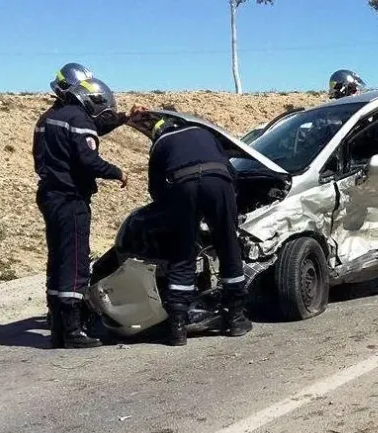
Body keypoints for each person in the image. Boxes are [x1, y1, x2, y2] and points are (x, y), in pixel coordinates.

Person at [40, 64, 143, 331]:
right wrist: (117, 172)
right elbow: (88, 159)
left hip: (50, 195)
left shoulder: (50, 117)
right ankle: (73, 329)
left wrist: (123, 118)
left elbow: (91, 128)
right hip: (71, 197)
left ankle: (57, 321)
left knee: (59, 258)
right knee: (76, 260)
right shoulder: (77, 119)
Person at [146, 117, 253, 346]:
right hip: (218, 180)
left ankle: (178, 327)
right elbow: (231, 172)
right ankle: (236, 318)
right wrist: (225, 208)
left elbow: (156, 190)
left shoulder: (160, 144)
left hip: (182, 185)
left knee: (182, 252)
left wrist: (176, 216)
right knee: (228, 245)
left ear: (157, 133)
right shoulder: (203, 132)